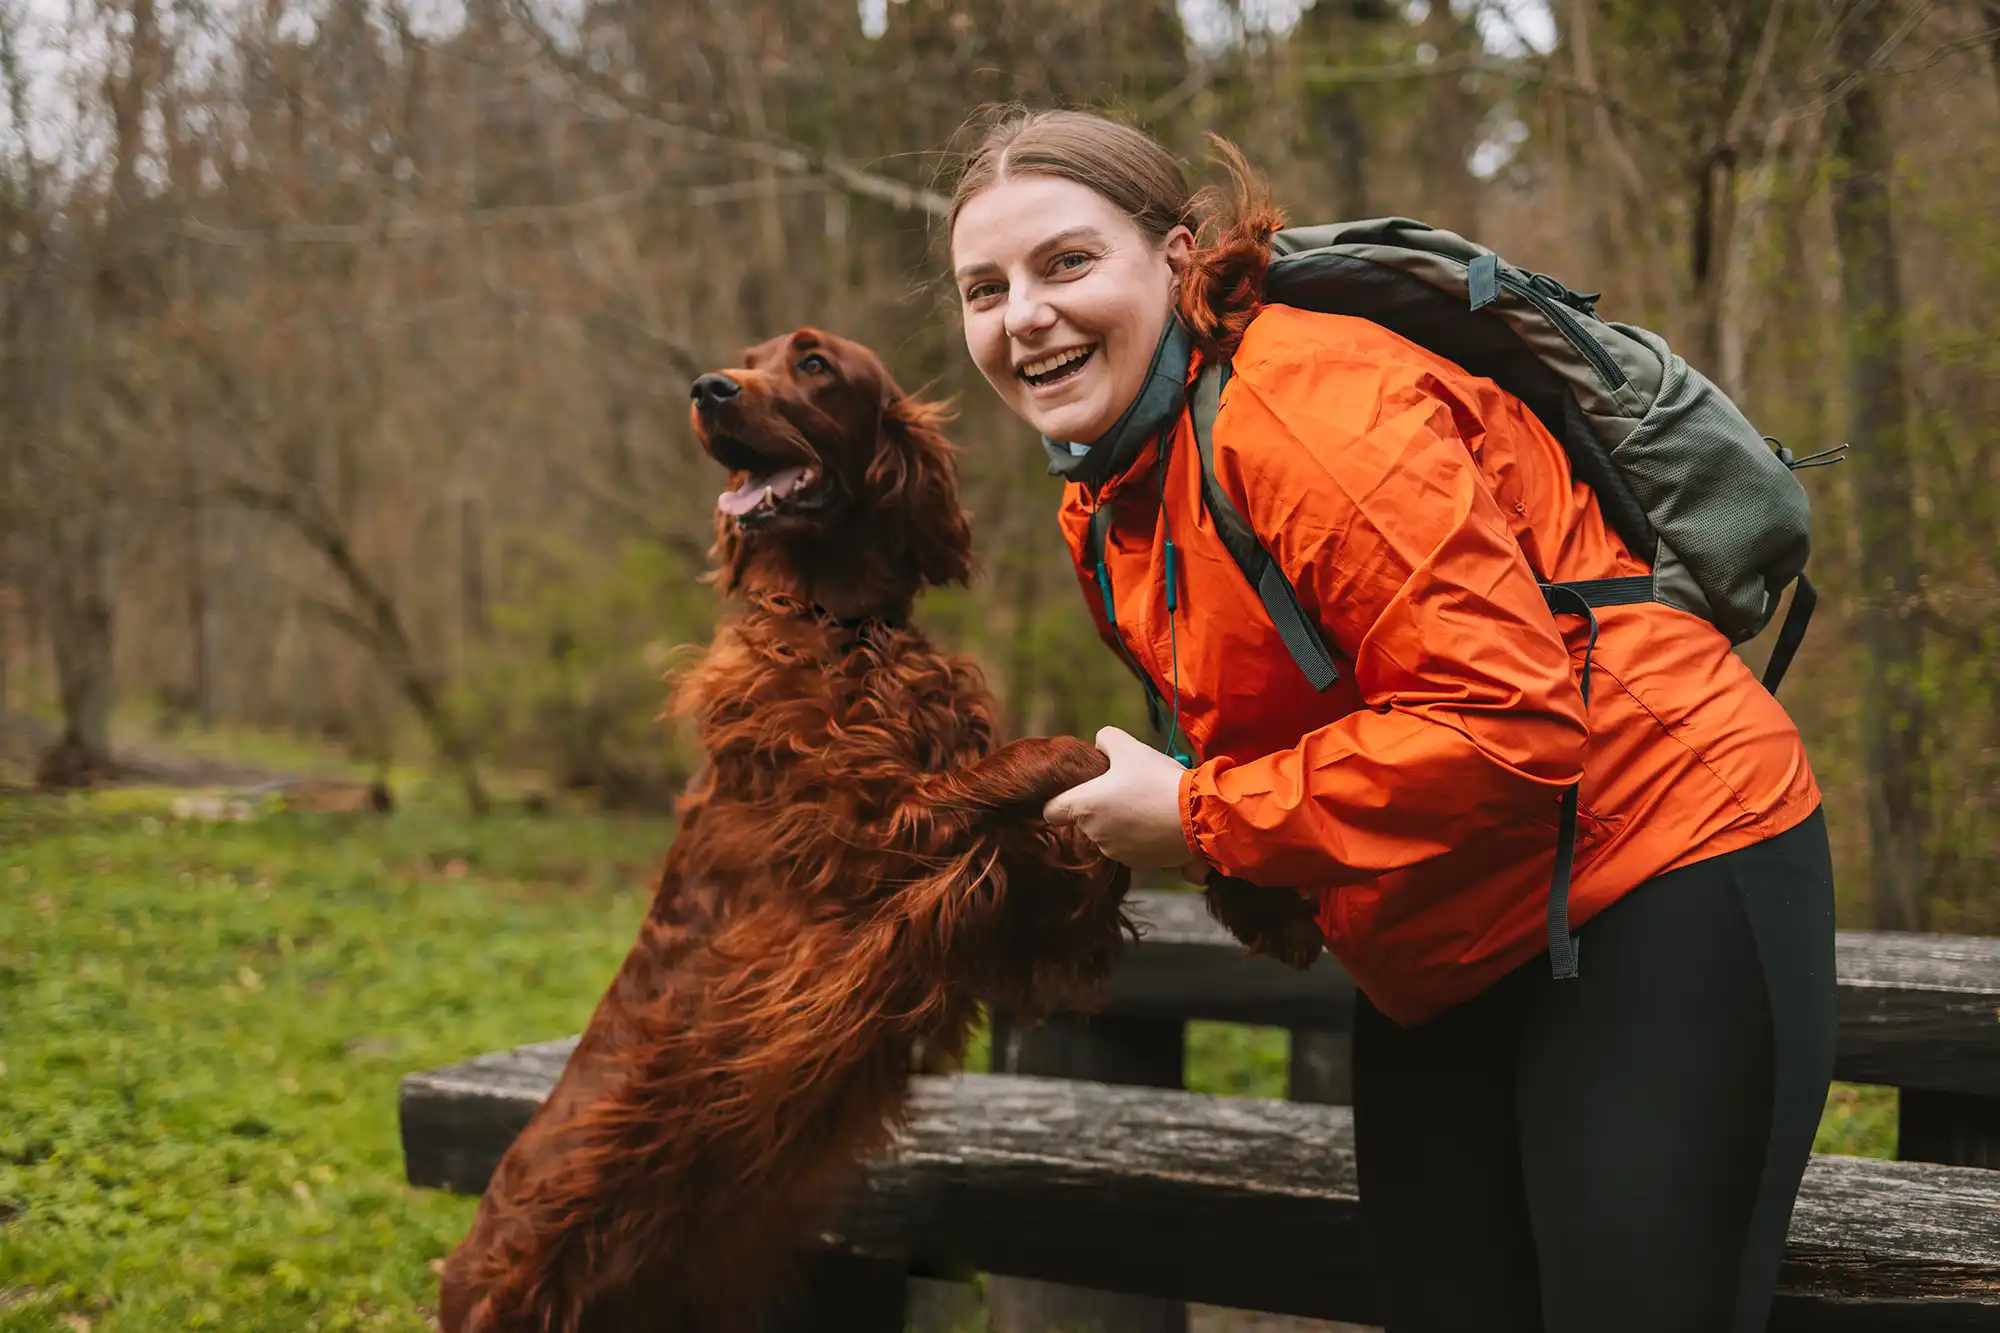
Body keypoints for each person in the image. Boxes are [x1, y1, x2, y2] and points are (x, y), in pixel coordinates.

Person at [944, 105, 1836, 1333]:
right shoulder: (1109, 499)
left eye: (1065, 262)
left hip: (1660, 860)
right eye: (982, 289)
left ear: (1178, 253)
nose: (1023, 315)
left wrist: (1200, 817)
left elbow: (1504, 724)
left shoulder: (1307, 407)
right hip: (1448, 924)